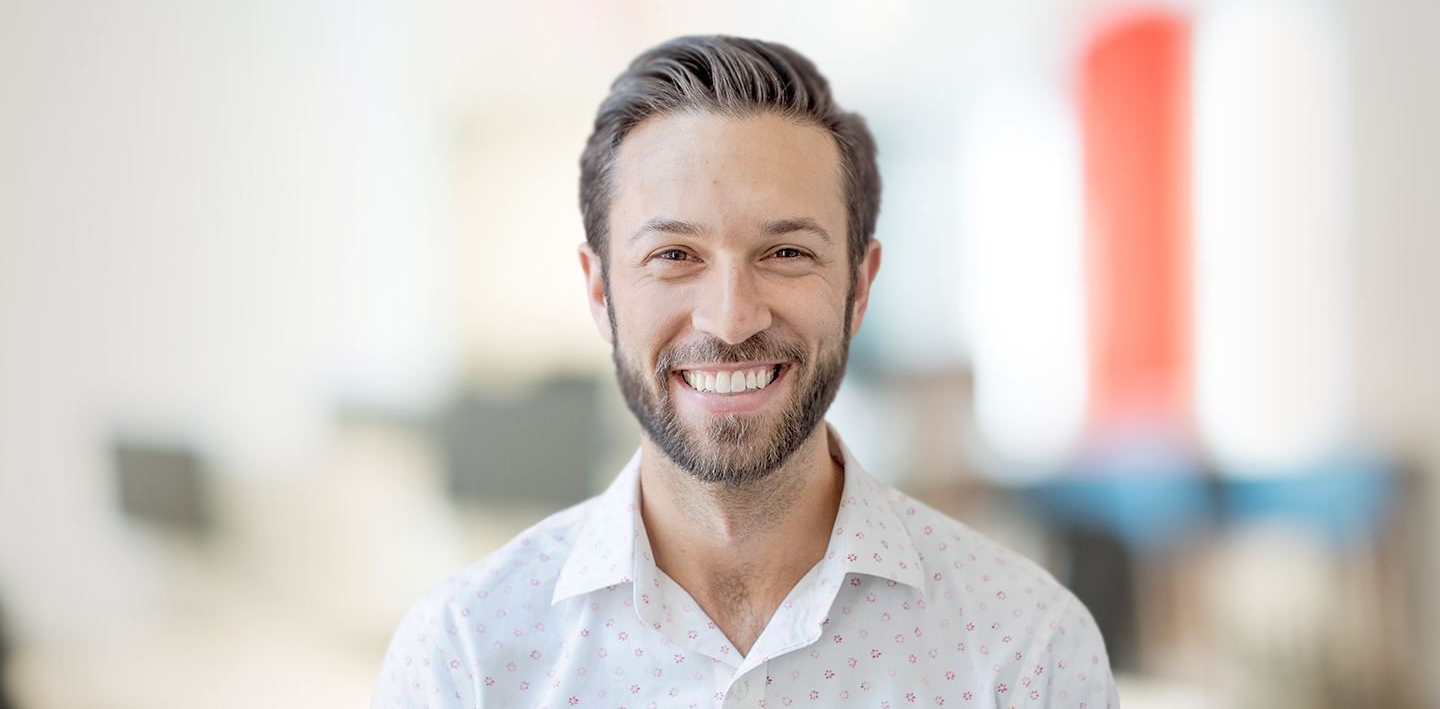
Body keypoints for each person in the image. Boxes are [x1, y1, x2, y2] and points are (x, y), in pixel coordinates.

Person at [373, 35, 1117, 708]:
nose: (730, 319)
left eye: (786, 253)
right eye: (673, 256)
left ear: (859, 287)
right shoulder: (463, 659)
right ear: (601, 294)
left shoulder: (1029, 654)